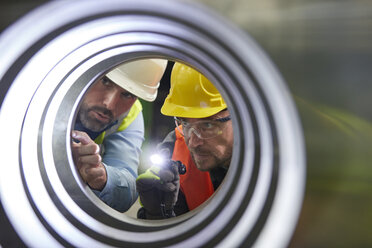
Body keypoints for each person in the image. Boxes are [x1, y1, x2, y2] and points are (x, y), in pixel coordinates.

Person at [136, 62, 233, 219]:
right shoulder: (174, 151)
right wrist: (156, 215)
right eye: (185, 123)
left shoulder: (277, 162)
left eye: (207, 125)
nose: (193, 143)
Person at [72, 58, 168, 212]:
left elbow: (127, 190)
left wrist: (101, 177)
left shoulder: (131, 113)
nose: (109, 104)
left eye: (127, 94)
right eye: (105, 81)